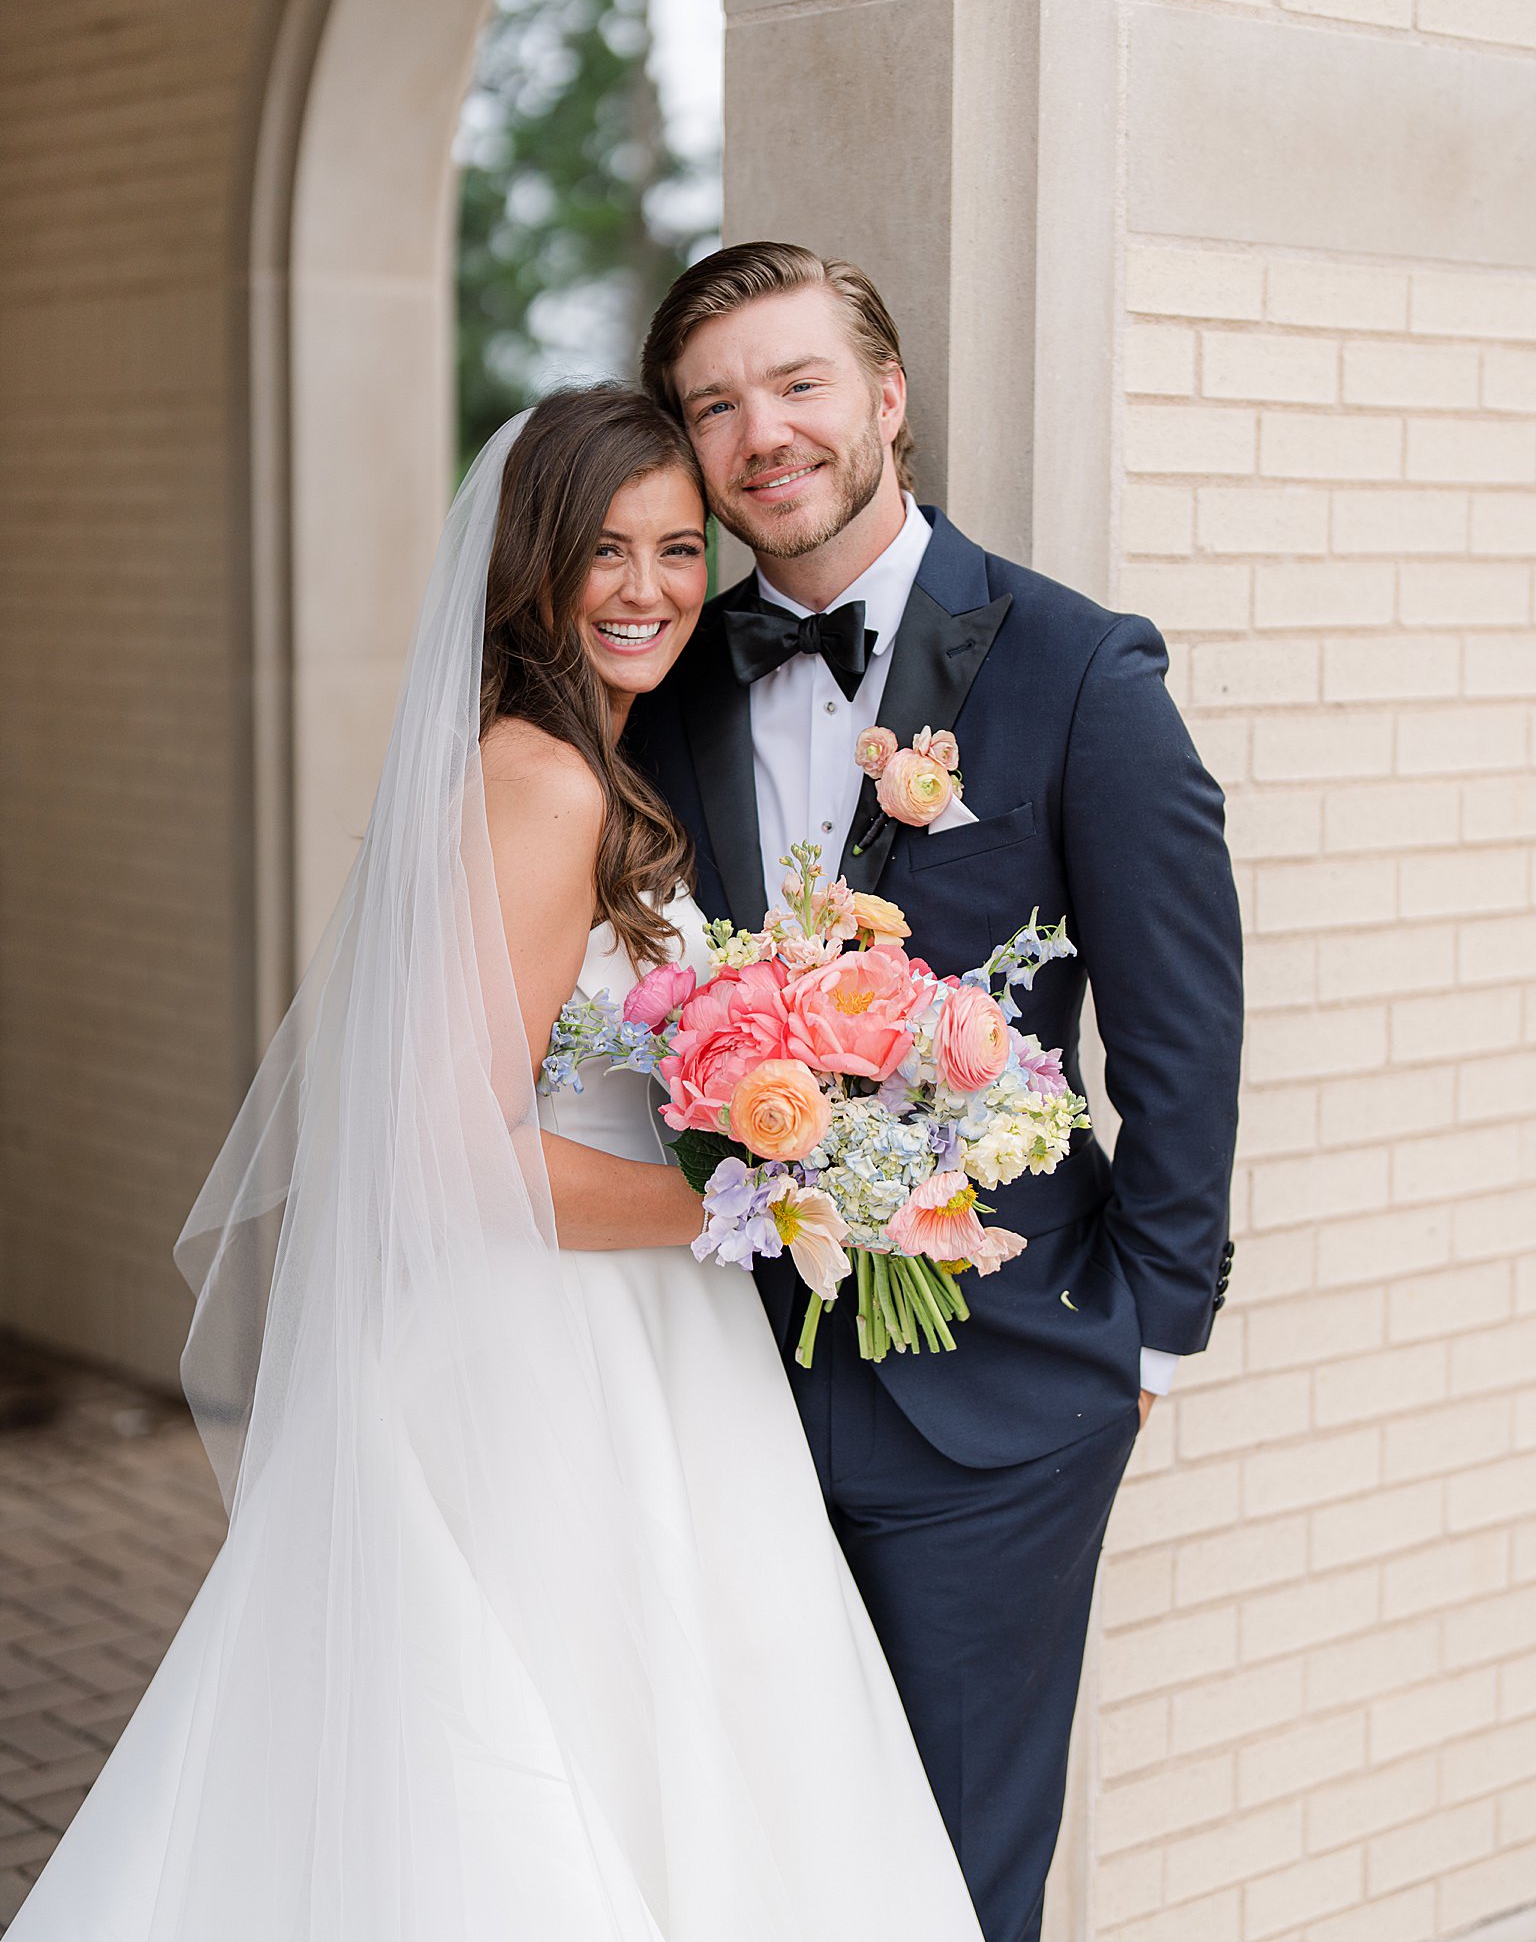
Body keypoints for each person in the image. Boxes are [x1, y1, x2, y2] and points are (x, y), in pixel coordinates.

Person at [8, 387, 984, 1942]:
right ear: (533, 563)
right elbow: (454, 1154)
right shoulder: (547, 783)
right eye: (607, 549)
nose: (651, 588)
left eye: (681, 547)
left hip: (615, 1323)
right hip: (547, 1349)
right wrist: (766, 1198)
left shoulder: (568, 761)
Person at [628, 242, 1244, 1942]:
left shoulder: (1079, 669)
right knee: (753, 1869)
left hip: (1002, 1403)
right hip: (716, 1386)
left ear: (888, 398)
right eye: (715, 406)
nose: (762, 432)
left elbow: (1183, 1029)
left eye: (798, 382)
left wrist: (1148, 1340)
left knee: (956, 1891)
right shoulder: (666, 684)